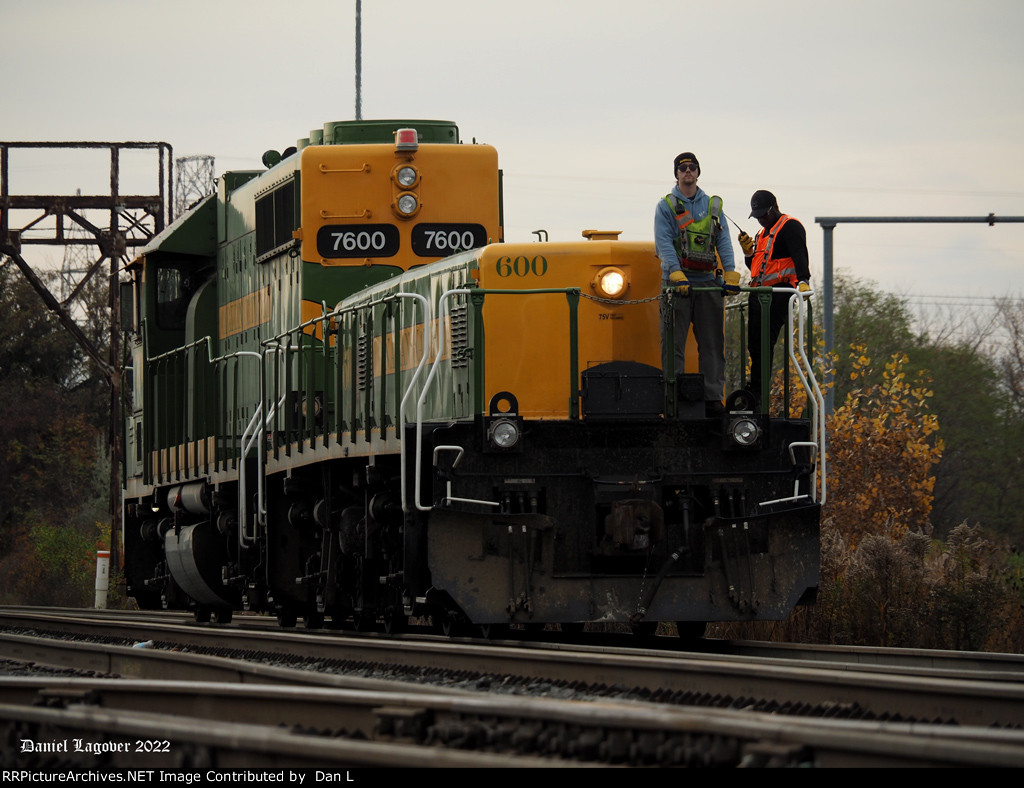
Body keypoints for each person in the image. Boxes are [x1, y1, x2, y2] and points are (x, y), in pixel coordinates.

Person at [654, 152, 740, 416]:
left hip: (707, 284)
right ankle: (674, 397)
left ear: (698, 172)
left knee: (712, 343)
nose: (687, 172)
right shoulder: (666, 206)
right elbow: (664, 242)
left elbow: (723, 241)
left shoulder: (713, 206)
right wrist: (675, 273)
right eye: (683, 168)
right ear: (676, 174)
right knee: (673, 343)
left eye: (692, 168)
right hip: (676, 286)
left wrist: (731, 272)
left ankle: (713, 398)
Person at [739, 189, 811, 404]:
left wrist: (804, 280)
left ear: (774, 208)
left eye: (763, 214)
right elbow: (756, 267)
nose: (761, 219)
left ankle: (758, 393)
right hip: (758, 293)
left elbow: (799, 254)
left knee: (764, 343)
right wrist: (748, 252)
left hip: (778, 295)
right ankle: (754, 388)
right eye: (757, 216)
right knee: (754, 344)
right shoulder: (761, 235)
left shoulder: (790, 226)